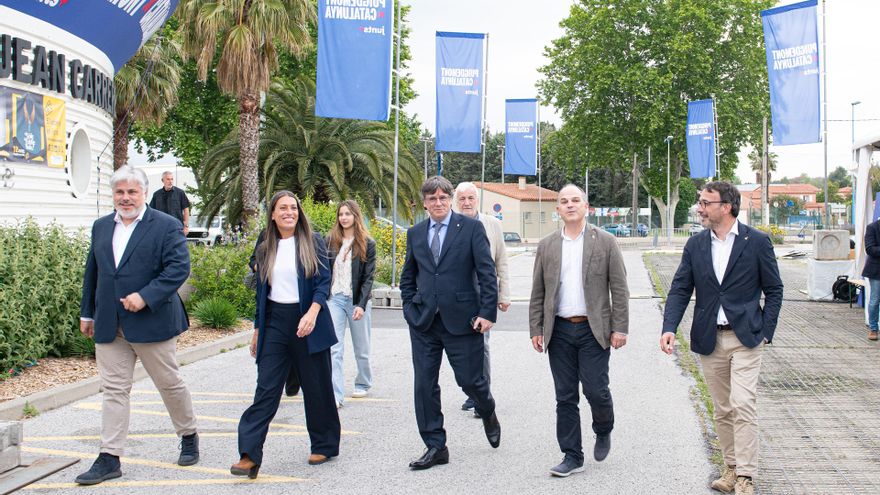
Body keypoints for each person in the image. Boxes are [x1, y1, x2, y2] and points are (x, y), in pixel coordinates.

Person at [76, 166, 198, 485]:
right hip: (110, 323)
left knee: (168, 383)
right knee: (114, 390)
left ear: (144, 192)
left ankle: (188, 434)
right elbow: (94, 271)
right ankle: (109, 456)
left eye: (132, 191)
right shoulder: (101, 226)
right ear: (113, 195)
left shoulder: (166, 225)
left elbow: (178, 269)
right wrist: (87, 313)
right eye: (120, 192)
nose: (126, 198)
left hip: (152, 321)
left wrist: (145, 296)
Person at [660, 181, 783, 495]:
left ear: (726, 207)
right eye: (700, 202)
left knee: (742, 404)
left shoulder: (757, 242)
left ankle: (746, 475)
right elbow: (680, 289)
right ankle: (731, 468)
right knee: (723, 408)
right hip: (709, 339)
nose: (699, 208)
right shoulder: (695, 245)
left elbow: (774, 289)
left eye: (706, 203)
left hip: (746, 338)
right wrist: (669, 327)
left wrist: (766, 332)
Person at [232, 191, 340, 479]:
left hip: (308, 319)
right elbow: (261, 292)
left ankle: (324, 444)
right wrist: (257, 330)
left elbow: (323, 282)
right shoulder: (265, 244)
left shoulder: (312, 240)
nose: (289, 212)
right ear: (273, 214)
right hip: (275, 322)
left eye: (293, 207)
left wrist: (312, 313)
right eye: (283, 208)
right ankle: (249, 454)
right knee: (266, 388)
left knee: (317, 387)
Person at [400, 175, 501, 470]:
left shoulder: (470, 228)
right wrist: (409, 308)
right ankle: (435, 446)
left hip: (463, 320)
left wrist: (487, 312)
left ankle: (487, 408)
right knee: (424, 385)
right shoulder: (415, 233)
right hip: (424, 323)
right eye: (432, 198)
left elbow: (486, 272)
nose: (438, 203)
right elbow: (408, 276)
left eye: (443, 197)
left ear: (450, 199)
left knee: (471, 381)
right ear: (424, 203)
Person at [529, 184, 629, 478]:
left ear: (586, 207)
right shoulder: (547, 245)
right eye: (564, 201)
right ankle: (572, 455)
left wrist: (620, 328)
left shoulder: (606, 241)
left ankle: (603, 427)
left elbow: (619, 289)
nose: (570, 205)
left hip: (593, 330)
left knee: (596, 390)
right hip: (558, 330)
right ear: (557, 210)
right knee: (565, 396)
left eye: (575, 200)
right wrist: (536, 328)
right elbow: (538, 291)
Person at [454, 182, 510, 415]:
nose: (466, 203)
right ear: (457, 201)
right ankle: (472, 391)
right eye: (462, 199)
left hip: (483, 291)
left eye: (471, 198)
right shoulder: (450, 223)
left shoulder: (492, 224)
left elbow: (501, 260)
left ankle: (482, 396)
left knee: (481, 344)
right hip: (457, 293)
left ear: (477, 200)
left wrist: (503, 294)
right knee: (461, 346)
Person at [326, 200, 377, 407]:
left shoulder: (367, 243)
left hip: (357, 300)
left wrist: (361, 305)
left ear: (356, 216)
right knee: (334, 348)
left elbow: (368, 277)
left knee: (361, 348)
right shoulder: (331, 241)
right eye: (341, 214)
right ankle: (335, 395)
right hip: (335, 298)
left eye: (348, 214)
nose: (344, 218)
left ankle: (363, 382)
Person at [149, 171, 191, 235]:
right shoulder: (156, 194)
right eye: (168, 179)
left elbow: (186, 209)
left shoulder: (180, 193)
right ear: (162, 180)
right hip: (161, 228)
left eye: (172, 179)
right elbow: (151, 211)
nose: (170, 181)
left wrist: (186, 226)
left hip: (177, 228)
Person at [862, 217, 880, 341]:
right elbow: (869, 249)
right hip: (876, 270)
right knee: (875, 300)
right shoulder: (872, 227)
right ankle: (874, 329)